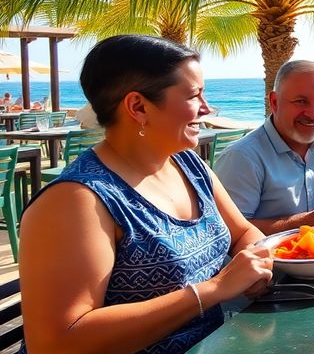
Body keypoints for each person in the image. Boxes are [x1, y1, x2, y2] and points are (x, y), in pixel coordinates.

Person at [18, 35, 273, 353]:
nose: (206, 109)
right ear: (138, 107)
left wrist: (256, 263)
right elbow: (56, 343)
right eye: (194, 95)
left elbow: (243, 232)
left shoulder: (187, 164)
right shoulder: (76, 200)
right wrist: (215, 289)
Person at [215, 61, 314, 235]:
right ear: (274, 102)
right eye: (301, 101)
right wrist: (313, 220)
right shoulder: (242, 157)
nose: (313, 113)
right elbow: (228, 232)